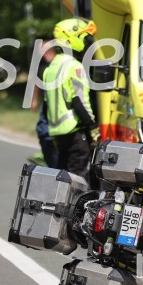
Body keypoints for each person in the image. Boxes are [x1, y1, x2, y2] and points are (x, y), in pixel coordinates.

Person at [43, 18, 100, 179]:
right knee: (79, 180)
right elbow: (79, 101)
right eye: (83, 37)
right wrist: (93, 128)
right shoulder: (74, 66)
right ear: (72, 39)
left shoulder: (51, 67)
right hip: (74, 132)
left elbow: (47, 105)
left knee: (63, 179)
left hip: (58, 133)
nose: (86, 42)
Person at [30, 38, 58, 168]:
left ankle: (55, 161)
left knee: (52, 134)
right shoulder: (42, 66)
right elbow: (36, 83)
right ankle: (49, 159)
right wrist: (34, 100)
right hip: (47, 104)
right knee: (43, 131)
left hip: (59, 106)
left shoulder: (59, 63)